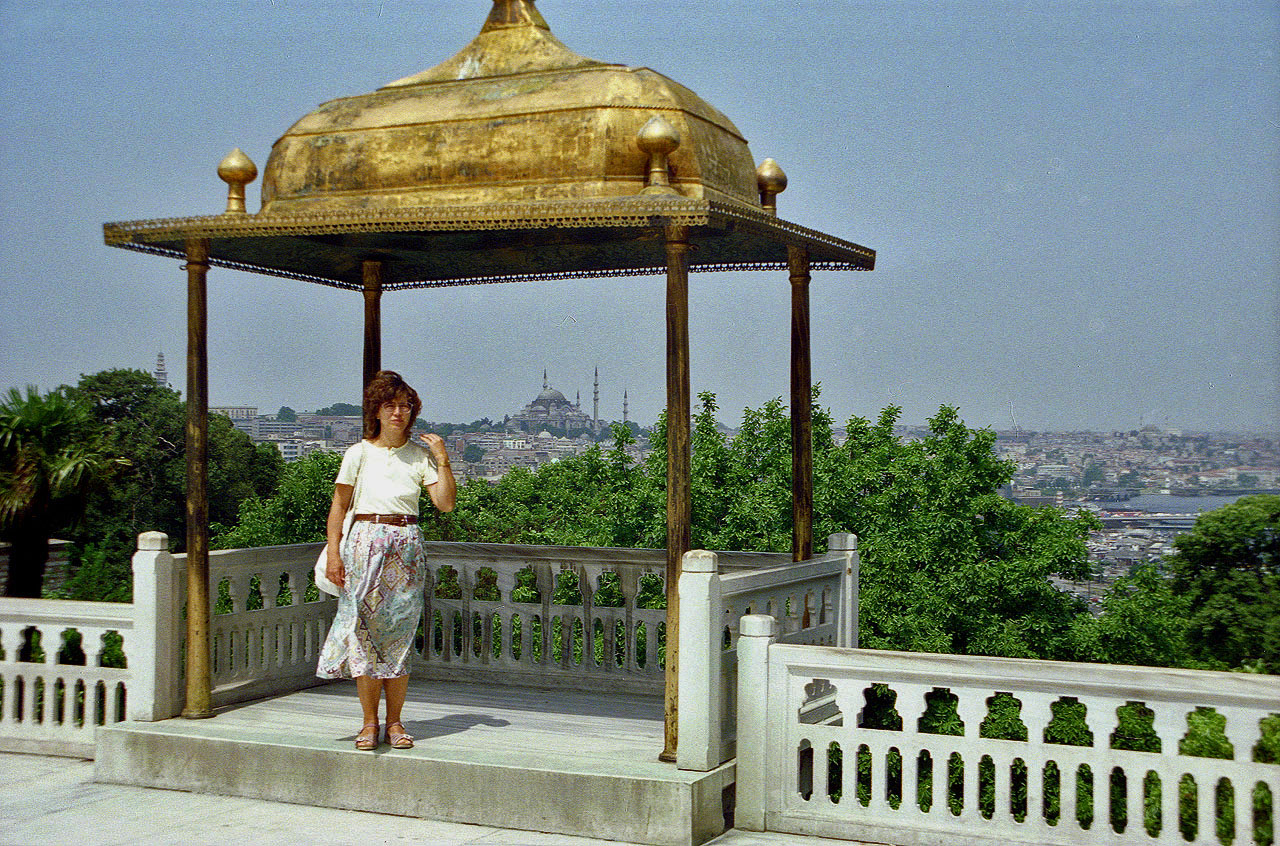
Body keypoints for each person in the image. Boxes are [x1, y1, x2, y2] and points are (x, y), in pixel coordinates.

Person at [316, 370, 456, 750]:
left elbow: (444, 503)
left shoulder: (420, 457)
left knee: (399, 636)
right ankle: (369, 722)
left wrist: (442, 460)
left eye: (405, 406)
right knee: (362, 635)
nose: (398, 412)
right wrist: (334, 553)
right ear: (376, 410)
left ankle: (394, 722)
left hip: (405, 548)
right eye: (390, 405)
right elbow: (339, 506)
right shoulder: (359, 453)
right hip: (363, 544)